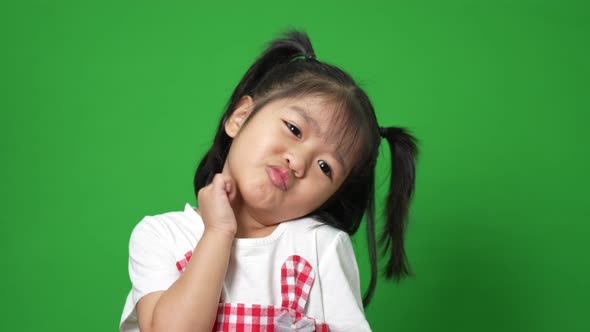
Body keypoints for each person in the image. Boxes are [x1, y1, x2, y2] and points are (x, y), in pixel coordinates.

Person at [119, 30, 419, 332]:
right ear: (241, 116)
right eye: (294, 129)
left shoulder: (320, 247)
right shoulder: (162, 236)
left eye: (325, 167)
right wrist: (218, 232)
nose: (299, 161)